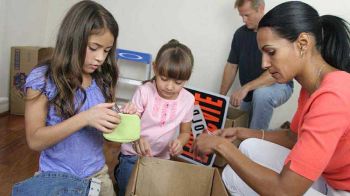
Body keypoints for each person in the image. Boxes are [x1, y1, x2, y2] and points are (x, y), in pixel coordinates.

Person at [192, 1, 350, 195]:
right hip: (327, 176)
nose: (264, 63)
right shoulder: (310, 88)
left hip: (342, 190)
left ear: (303, 44)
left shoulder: (333, 96)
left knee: (233, 177)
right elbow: (292, 137)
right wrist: (241, 133)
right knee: (248, 146)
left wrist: (221, 146)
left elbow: (285, 191)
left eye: (271, 52)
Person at [23, 1, 136, 196]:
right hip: (56, 178)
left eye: (106, 50)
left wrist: (119, 118)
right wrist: (85, 118)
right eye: (94, 47)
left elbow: (106, 138)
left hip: (97, 177)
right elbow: (34, 140)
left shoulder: (103, 78)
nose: (101, 57)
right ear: (73, 39)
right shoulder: (43, 78)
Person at [116, 39, 195, 196]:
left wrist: (180, 142)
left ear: (188, 77)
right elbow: (129, 125)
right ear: (155, 69)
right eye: (164, 79)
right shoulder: (145, 92)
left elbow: (186, 132)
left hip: (161, 158)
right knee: (128, 191)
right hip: (132, 156)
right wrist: (137, 138)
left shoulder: (188, 99)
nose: (169, 86)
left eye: (178, 82)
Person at [219, 0, 293, 130]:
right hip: (250, 92)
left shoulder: (277, 33)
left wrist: (246, 88)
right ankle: (282, 131)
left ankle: (253, 144)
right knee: (239, 128)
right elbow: (231, 66)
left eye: (247, 15)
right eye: (241, 16)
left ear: (261, 8)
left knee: (261, 95)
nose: (243, 20)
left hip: (279, 85)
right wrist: (220, 99)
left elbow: (278, 71)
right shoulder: (240, 34)